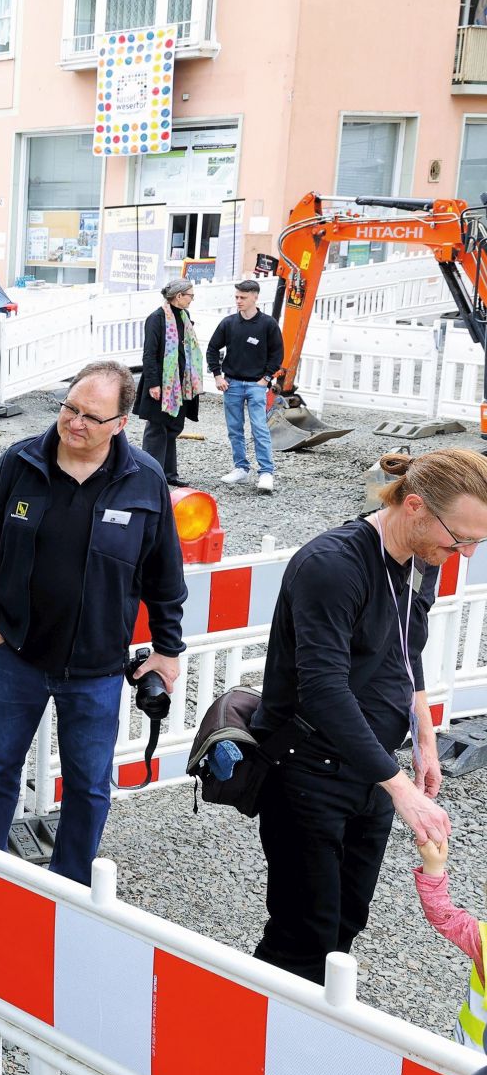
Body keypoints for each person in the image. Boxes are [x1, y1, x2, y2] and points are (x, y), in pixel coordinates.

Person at [250, 450, 482, 982]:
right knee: (303, 931)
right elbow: (325, 690)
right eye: (459, 539)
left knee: (348, 919)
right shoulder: (332, 565)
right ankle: (256, 1042)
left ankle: (311, 1032)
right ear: (416, 507)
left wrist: (424, 739)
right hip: (306, 766)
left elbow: (408, 647)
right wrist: (400, 789)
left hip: (374, 767)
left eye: (476, 541)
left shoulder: (424, 559)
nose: (465, 554)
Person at [0, 360, 186, 884]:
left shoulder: (144, 480)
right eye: (70, 408)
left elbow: (164, 573)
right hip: (14, 654)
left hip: (97, 670)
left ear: (121, 424)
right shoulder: (17, 464)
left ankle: (71, 883)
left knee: (88, 784)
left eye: (91, 415)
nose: (74, 422)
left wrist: (168, 649)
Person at [208, 277, 283, 492]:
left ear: (255, 297)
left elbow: (277, 354)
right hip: (231, 384)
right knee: (234, 429)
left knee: (260, 428)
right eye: (237, 297)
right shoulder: (229, 323)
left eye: (243, 297)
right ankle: (241, 468)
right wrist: (217, 375)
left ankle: (266, 472)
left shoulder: (268, 324)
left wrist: (265, 379)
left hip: (256, 385)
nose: (238, 301)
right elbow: (212, 348)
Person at [412, 834, 487, 1048]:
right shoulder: (481, 939)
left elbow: (442, 914)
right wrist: (433, 867)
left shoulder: (481, 939)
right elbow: (443, 914)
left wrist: (433, 867)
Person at [135, 278, 202, 486]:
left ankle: (169, 475)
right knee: (157, 428)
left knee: (172, 427)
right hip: (162, 382)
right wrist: (154, 384)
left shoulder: (184, 315)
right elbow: (149, 354)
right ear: (179, 296)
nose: (192, 299)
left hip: (180, 382)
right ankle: (151, 476)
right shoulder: (156, 319)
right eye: (190, 295)